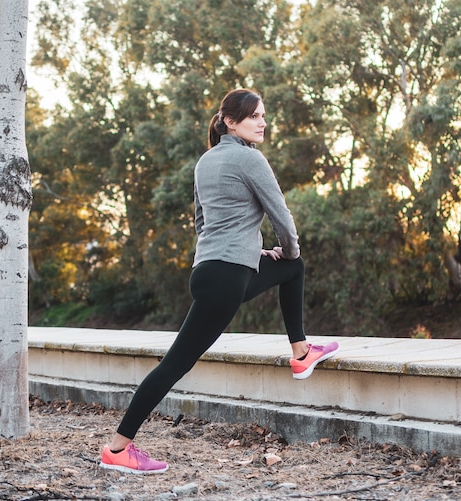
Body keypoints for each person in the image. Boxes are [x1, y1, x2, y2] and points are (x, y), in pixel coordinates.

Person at [99, 88, 340, 474]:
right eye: (254, 116)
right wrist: (286, 251)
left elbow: (203, 224)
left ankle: (301, 354)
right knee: (174, 365)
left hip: (209, 270)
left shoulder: (205, 162)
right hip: (229, 276)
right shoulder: (251, 160)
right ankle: (117, 450)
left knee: (177, 360)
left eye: (263, 116)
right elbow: (282, 217)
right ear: (230, 121)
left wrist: (250, 254)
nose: (263, 122)